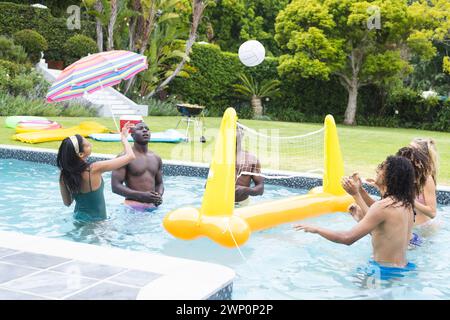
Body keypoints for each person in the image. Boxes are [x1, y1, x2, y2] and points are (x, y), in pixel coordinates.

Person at [294, 156, 416, 270]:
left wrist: (316, 229)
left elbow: (347, 238)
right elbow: (386, 235)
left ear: (391, 176)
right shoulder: (406, 205)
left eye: (382, 167)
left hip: (382, 272)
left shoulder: (383, 206)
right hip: (404, 268)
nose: (377, 170)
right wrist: (360, 198)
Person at [58, 123, 135, 221]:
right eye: (87, 145)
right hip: (97, 225)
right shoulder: (94, 169)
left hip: (78, 220)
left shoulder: (64, 175)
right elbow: (131, 156)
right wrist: (124, 137)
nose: (91, 144)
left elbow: (67, 203)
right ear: (81, 154)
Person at [111, 121, 164, 212]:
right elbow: (115, 186)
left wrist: (158, 196)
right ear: (132, 135)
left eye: (147, 129)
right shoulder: (124, 157)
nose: (145, 131)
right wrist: (141, 195)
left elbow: (159, 183)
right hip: (132, 208)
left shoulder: (156, 158)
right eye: (140, 129)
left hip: (153, 208)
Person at [235, 125, 264, 206]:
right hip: (221, 204)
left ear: (242, 134)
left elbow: (260, 188)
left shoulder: (251, 159)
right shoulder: (218, 158)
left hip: (242, 204)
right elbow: (207, 186)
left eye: (236, 130)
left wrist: (245, 190)